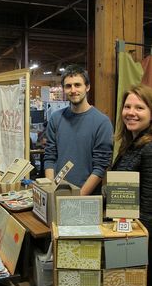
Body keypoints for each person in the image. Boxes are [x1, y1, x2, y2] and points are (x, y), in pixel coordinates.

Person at [44, 64, 113, 195]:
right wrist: (50, 191)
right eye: (68, 86)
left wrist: (78, 198)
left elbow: (100, 167)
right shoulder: (55, 118)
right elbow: (50, 157)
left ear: (87, 87)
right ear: (64, 89)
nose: (73, 90)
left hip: (86, 198)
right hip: (57, 193)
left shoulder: (102, 122)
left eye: (77, 85)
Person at [111, 84, 152, 286]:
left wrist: (133, 245)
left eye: (139, 108)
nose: (131, 113)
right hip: (128, 234)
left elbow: (149, 205)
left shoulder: (150, 148)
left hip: (141, 240)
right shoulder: (131, 144)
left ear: (151, 113)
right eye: (127, 107)